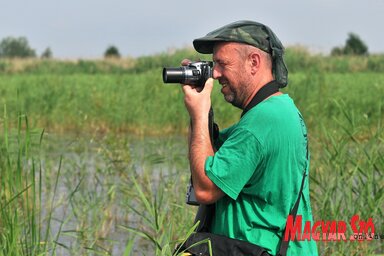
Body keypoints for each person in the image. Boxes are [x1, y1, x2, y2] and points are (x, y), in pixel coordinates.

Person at [181, 20, 318, 255]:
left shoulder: (261, 122)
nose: (215, 73)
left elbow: (206, 188)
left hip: (260, 248)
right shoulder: (279, 110)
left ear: (253, 62)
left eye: (223, 64)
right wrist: (200, 112)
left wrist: (200, 113)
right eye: (213, 65)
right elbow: (212, 155)